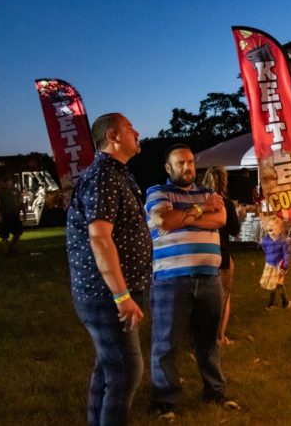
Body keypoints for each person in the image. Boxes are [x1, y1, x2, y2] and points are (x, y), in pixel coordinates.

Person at [65, 112, 153, 425]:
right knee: (127, 370)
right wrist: (121, 296)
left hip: (114, 291)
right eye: (130, 128)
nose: (137, 132)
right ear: (114, 136)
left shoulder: (116, 173)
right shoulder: (103, 175)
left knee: (108, 368)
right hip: (106, 295)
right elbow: (99, 238)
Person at [145, 144, 239, 418]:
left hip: (209, 279)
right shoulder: (157, 192)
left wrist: (184, 217)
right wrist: (199, 210)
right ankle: (165, 400)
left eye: (190, 162)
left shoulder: (209, 193)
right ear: (168, 168)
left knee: (208, 341)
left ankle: (215, 391)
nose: (187, 168)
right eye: (180, 163)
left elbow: (220, 219)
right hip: (171, 279)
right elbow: (163, 220)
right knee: (166, 342)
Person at [202, 166, 241, 345]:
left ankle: (201, 334)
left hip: (201, 254)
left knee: (203, 297)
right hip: (222, 254)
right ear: (224, 181)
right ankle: (219, 337)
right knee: (224, 296)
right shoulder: (225, 203)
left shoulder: (198, 203)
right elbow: (234, 229)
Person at [260, 215, 291, 309]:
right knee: (271, 285)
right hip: (269, 266)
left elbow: (286, 254)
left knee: (279, 285)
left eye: (273, 226)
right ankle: (272, 303)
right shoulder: (265, 241)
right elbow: (265, 249)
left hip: (280, 267)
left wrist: (284, 265)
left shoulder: (283, 241)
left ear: (279, 229)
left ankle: (285, 302)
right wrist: (269, 259)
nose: (270, 227)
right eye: (269, 225)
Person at [0, 176, 24, 255]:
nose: (8, 183)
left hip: (15, 214)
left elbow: (20, 201)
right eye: (6, 181)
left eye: (9, 181)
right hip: (5, 214)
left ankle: (12, 247)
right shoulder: (0, 192)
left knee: (18, 232)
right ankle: (6, 251)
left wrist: (23, 211)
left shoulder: (16, 190)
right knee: (4, 234)